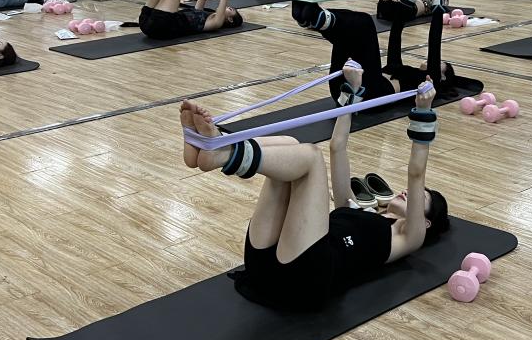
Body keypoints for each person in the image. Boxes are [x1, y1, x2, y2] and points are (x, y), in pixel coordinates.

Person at [179, 64, 450, 310]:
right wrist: (352, 92)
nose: (407, 192)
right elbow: (337, 146)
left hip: (304, 280)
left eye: (422, 198)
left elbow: (416, 175)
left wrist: (424, 112)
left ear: (425, 222)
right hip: (263, 269)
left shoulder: (409, 237)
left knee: (310, 157)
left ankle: (223, 153)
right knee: (289, 145)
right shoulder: (354, 207)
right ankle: (217, 146)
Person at [293, 0, 462, 101]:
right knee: (348, 36)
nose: (438, 61)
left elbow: (434, 45)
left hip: (369, 92)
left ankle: (317, 18)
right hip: (347, 88)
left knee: (365, 23)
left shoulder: (431, 82)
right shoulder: (400, 69)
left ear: (443, 76)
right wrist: (403, 8)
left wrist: (438, 15)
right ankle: (313, 19)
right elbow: (395, 39)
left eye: (442, 64)